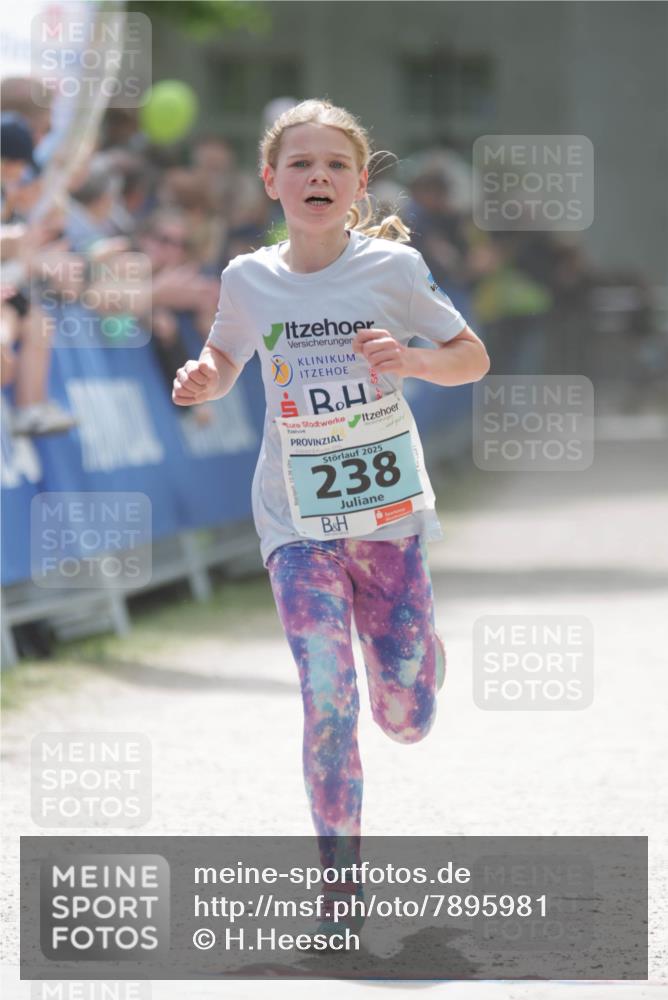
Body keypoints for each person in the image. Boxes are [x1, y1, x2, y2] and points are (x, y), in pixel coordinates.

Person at [171, 99, 489, 943]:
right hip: (294, 520)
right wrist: (204, 378)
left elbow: (472, 357)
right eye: (301, 164)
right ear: (271, 181)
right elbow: (225, 354)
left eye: (336, 166)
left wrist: (414, 359)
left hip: (384, 519)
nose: (318, 176)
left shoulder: (391, 269)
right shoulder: (247, 279)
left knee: (404, 717)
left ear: (358, 185)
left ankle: (421, 664)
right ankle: (340, 898)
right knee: (327, 699)